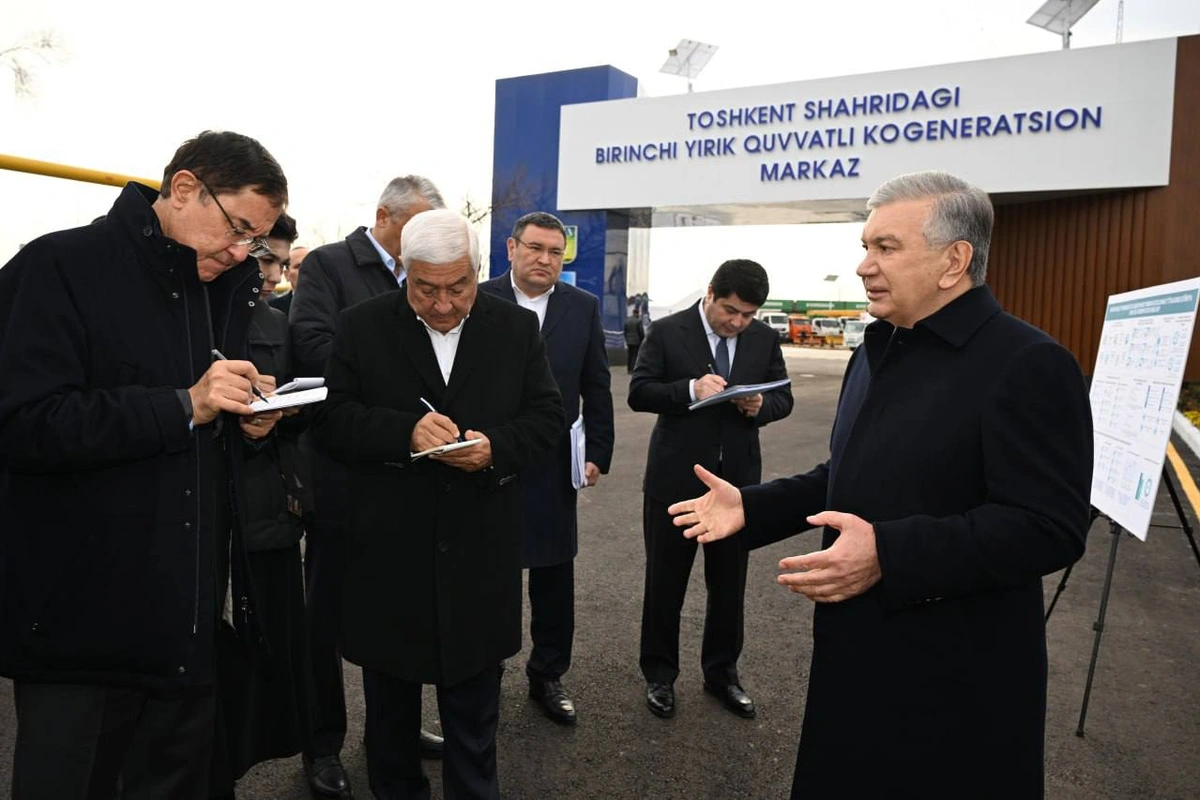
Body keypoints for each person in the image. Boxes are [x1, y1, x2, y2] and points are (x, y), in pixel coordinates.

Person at [668, 170, 1093, 798]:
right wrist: (751, 507)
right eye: (866, 246)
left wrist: (888, 554)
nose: (864, 265)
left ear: (954, 261)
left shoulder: (1027, 363)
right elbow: (846, 478)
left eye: (886, 248)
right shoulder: (876, 351)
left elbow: (1049, 526)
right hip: (854, 663)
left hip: (956, 691)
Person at [0, 130, 287, 798]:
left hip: (186, 632)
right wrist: (184, 405)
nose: (240, 251)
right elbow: (21, 423)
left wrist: (247, 422)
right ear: (184, 188)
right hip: (78, 636)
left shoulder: (223, 290)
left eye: (254, 241)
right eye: (237, 229)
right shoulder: (58, 268)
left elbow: (198, 438)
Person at [312, 208, 563, 799]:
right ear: (403, 270)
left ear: (478, 270)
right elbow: (332, 419)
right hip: (388, 554)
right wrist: (403, 432)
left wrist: (495, 448)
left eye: (458, 287)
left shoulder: (515, 328)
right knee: (390, 727)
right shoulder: (362, 325)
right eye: (426, 289)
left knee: (474, 726)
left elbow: (548, 416)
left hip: (479, 555)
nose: (444, 304)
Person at [289, 175, 446, 797]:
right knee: (324, 622)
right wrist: (401, 383)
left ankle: (396, 733)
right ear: (384, 215)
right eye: (417, 225)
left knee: (401, 616)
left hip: (408, 480)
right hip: (343, 478)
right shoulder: (330, 265)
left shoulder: (424, 272)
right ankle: (321, 744)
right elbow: (312, 348)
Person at [628, 259, 794, 721]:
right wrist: (690, 390)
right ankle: (660, 676)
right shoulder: (668, 331)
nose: (738, 322)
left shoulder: (763, 338)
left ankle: (722, 675)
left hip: (737, 488)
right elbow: (639, 391)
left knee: (728, 586)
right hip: (674, 481)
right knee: (665, 584)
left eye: (748, 315)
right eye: (730, 311)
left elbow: (784, 397)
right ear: (710, 293)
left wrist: (760, 405)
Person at [478, 211, 614, 725]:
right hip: (490, 458)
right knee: (491, 572)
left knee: (554, 575)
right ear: (511, 248)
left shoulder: (582, 307)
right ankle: (485, 669)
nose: (545, 259)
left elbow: (596, 384)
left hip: (555, 462)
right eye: (535, 248)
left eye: (556, 252)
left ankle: (548, 674)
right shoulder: (480, 299)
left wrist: (597, 450)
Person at [209, 212, 312, 798]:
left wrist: (276, 417)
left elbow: (298, 406)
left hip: (264, 512)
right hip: (202, 510)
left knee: (264, 649)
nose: (274, 274)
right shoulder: (194, 310)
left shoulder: (278, 321)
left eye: (281, 261)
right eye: (266, 259)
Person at [270, 245, 308, 315]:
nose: (306, 270)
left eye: (311, 264)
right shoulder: (272, 309)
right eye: (299, 266)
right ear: (287, 274)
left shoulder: (329, 302)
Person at [623, 308, 645, 374]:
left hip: (628, 341)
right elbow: (641, 331)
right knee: (635, 355)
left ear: (633, 312)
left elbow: (625, 331)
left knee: (630, 355)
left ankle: (629, 369)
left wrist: (626, 339)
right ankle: (633, 369)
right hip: (636, 341)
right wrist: (642, 339)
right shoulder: (638, 321)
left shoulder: (627, 320)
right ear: (637, 313)